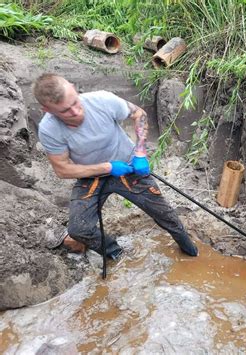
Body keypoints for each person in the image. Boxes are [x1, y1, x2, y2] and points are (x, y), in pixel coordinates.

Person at [32, 73, 198, 260]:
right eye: (65, 111)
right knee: (79, 229)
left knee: (166, 216)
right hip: (91, 177)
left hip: (129, 167)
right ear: (47, 110)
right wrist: (108, 168)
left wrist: (141, 152)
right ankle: (115, 254)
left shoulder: (102, 100)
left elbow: (139, 114)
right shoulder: (49, 130)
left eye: (75, 103)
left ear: (73, 87)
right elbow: (62, 169)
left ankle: (191, 251)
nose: (76, 112)